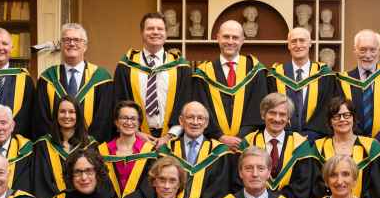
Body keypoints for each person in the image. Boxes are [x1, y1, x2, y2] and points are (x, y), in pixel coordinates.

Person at [114, 12, 192, 143]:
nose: (155, 32)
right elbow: (118, 102)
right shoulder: (126, 66)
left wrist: (170, 136)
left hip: (172, 139)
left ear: (166, 33)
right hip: (134, 137)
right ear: (142, 32)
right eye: (150, 28)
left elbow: (185, 103)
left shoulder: (181, 67)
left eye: (160, 29)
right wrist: (137, 133)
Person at [192, 20, 268, 149]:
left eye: (235, 38)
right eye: (226, 37)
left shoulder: (255, 70)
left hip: (248, 143)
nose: (230, 41)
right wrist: (219, 136)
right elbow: (201, 106)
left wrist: (240, 137)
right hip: (212, 144)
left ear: (243, 40)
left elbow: (258, 108)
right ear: (218, 38)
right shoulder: (203, 72)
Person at [34, 23, 114, 142]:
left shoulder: (102, 78)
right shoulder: (47, 78)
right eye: (66, 40)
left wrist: (88, 146)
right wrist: (56, 145)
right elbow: (41, 118)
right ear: (60, 45)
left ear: (85, 46)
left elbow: (103, 120)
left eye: (77, 40)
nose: (71, 43)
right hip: (55, 148)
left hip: (89, 150)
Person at [239, 93, 317, 198]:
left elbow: (303, 185)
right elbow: (239, 180)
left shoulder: (300, 145)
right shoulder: (248, 143)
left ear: (288, 118)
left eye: (282, 114)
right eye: (272, 113)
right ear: (263, 115)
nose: (277, 119)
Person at [313, 96, 380, 198]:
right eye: (336, 116)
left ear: (354, 118)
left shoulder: (371, 148)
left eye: (347, 115)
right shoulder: (318, 148)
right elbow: (315, 187)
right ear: (330, 121)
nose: (342, 119)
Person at [157, 101, 233, 198]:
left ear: (206, 123)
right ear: (181, 121)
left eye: (200, 118)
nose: (195, 122)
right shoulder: (167, 150)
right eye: (190, 117)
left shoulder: (219, 153)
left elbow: (219, 188)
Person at [267, 27, 339, 140]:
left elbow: (326, 106)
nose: (298, 45)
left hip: (316, 139)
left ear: (310, 43)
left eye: (302, 40)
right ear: (288, 45)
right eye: (293, 41)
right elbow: (270, 108)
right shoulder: (275, 75)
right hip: (282, 138)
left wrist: (311, 134)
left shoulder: (325, 75)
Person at [336, 29, 380, 141]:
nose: (368, 55)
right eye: (363, 50)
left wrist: (376, 142)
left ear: (379, 51)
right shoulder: (342, 81)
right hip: (353, 145)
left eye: (373, 50)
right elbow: (340, 115)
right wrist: (360, 142)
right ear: (355, 51)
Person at [31, 96, 95, 198]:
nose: (66, 116)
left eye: (71, 112)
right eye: (62, 111)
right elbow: (41, 182)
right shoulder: (43, 145)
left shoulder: (90, 145)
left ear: (78, 115)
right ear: (56, 115)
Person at [97, 101, 157, 198]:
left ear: (139, 123)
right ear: (116, 122)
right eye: (124, 118)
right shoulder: (102, 151)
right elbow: (99, 182)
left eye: (133, 119)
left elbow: (150, 186)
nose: (129, 122)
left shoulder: (149, 152)